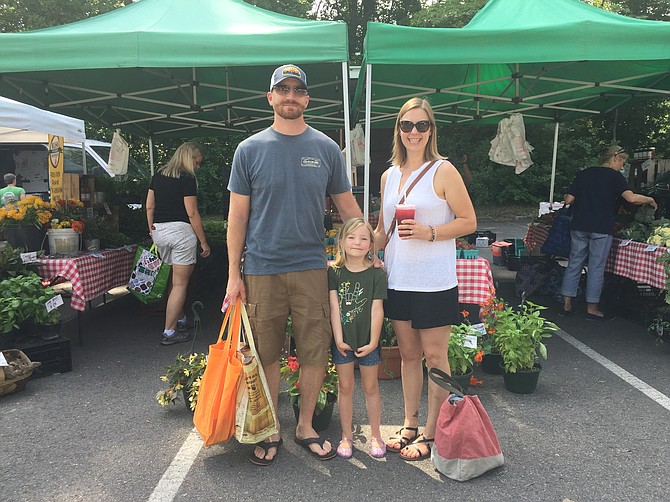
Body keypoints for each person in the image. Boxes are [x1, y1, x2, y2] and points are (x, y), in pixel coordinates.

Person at [226, 64, 362, 465]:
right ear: (270, 97)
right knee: (266, 354)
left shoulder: (326, 149)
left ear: (307, 99)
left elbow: (347, 208)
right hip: (262, 269)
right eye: (282, 89)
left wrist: (371, 244)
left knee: (314, 351)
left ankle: (305, 425)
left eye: (297, 90)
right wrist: (234, 274)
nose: (289, 96)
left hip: (311, 268)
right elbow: (237, 218)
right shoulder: (249, 149)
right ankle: (270, 429)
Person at [374, 97, 476, 461]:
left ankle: (432, 432)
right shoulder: (389, 175)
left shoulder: (443, 171)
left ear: (431, 130)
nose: (414, 132)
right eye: (407, 125)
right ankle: (409, 423)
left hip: (434, 282)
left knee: (435, 357)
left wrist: (429, 231)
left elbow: (469, 221)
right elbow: (382, 231)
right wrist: (360, 247)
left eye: (422, 126)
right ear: (398, 130)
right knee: (407, 355)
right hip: (399, 279)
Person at [560, 145, 657, 320]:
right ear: (614, 158)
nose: (622, 166)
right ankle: (592, 308)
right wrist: (649, 199)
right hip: (601, 228)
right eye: (623, 162)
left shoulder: (584, 174)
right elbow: (631, 198)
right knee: (596, 267)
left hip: (579, 225)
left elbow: (569, 199)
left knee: (574, 264)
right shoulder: (615, 177)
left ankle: (567, 305)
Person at [328, 218, 387, 459]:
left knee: (371, 387)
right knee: (345, 387)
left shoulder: (376, 274)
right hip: (343, 342)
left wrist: (374, 341)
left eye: (364, 238)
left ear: (371, 244)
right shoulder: (333, 271)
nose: (357, 243)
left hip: (367, 341)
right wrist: (339, 339)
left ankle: (376, 434)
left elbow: (377, 309)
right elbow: (334, 308)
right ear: (341, 242)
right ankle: (346, 436)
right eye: (351, 237)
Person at [145, 142, 210, 345]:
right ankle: (169, 332)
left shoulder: (158, 175)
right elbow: (191, 212)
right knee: (181, 283)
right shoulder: (187, 179)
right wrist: (203, 241)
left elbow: (149, 206)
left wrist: (151, 229)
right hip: (181, 233)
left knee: (175, 279)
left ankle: (180, 318)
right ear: (188, 159)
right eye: (197, 162)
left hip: (160, 232)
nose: (198, 167)